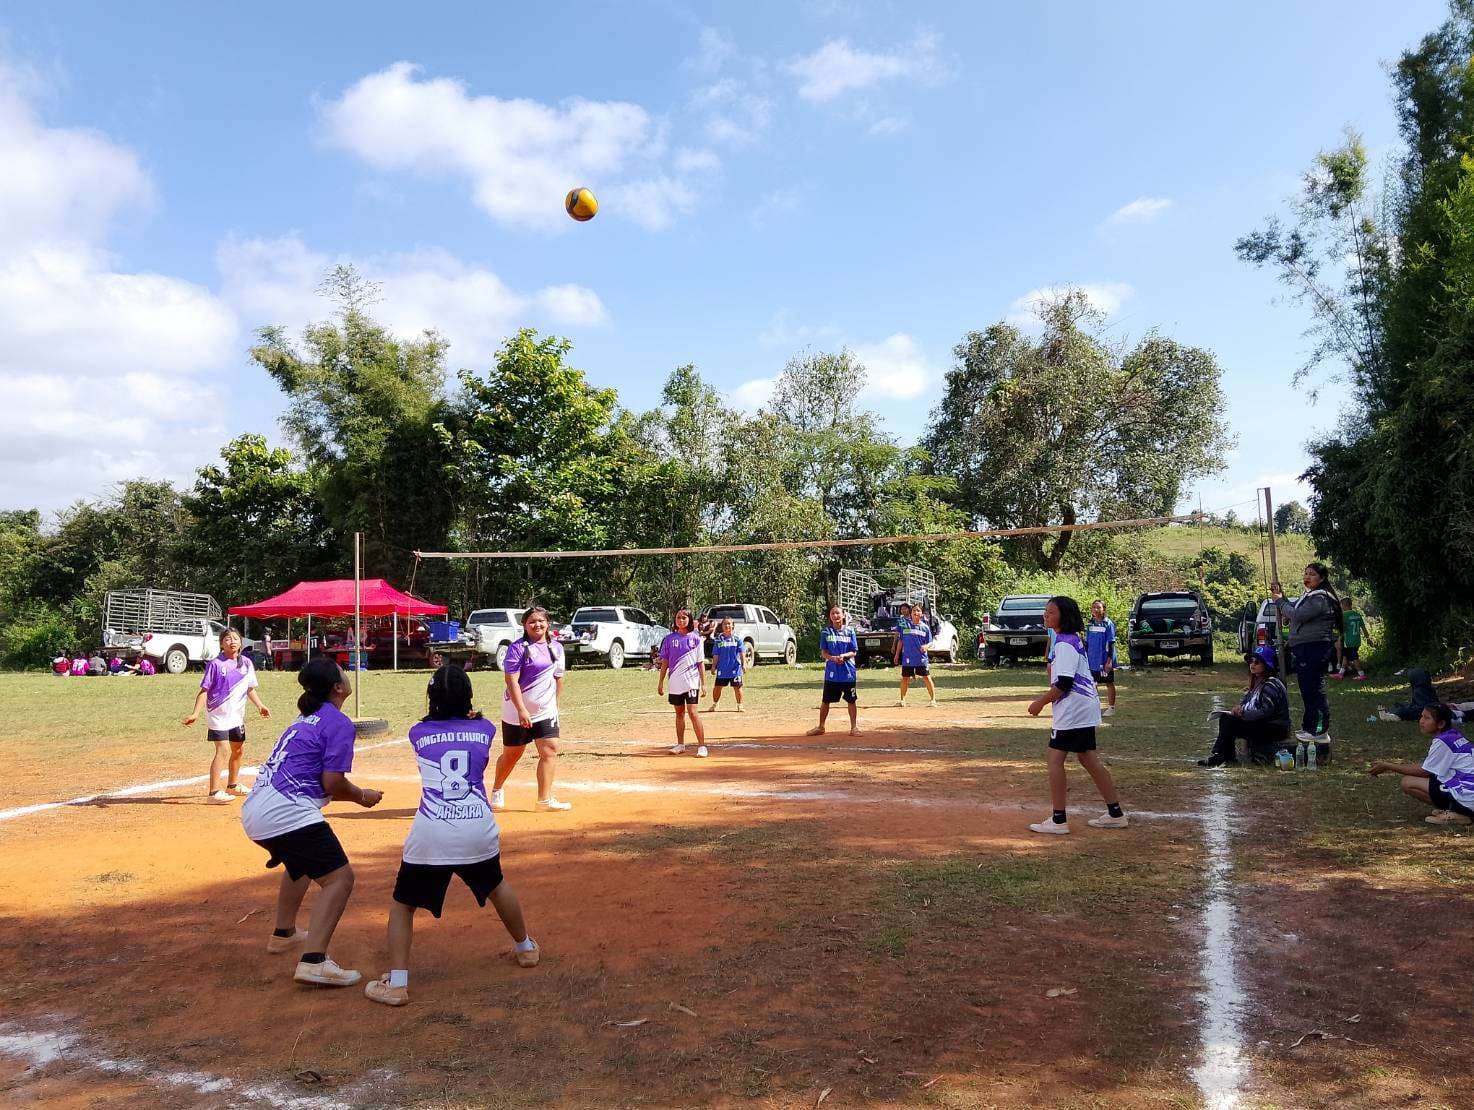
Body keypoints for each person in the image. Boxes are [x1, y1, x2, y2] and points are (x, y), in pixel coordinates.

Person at [365, 665, 538, 1007]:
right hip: (477, 827)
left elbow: (432, 728)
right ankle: (526, 948)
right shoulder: (485, 729)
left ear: (432, 699)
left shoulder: (418, 732)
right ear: (468, 697)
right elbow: (477, 726)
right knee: (496, 885)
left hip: (432, 832)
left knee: (403, 905)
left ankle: (397, 982)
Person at [240, 657, 383, 987]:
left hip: (257, 810)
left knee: (301, 864)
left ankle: (284, 933)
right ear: (337, 687)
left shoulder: (305, 718)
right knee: (339, 880)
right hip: (286, 812)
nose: (347, 676)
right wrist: (363, 796)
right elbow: (333, 782)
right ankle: (314, 960)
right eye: (343, 673)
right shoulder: (338, 723)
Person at [1026, 596, 1128, 834]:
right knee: (1087, 758)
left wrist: (1039, 703)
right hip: (1083, 708)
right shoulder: (1069, 640)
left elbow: (1063, 683)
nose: (1045, 615)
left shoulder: (1064, 644)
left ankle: (1059, 820)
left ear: (1064, 616)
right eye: (1046, 611)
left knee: (1054, 759)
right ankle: (1115, 813)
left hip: (1074, 710)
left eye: (1050, 612)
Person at [490, 606, 570, 812]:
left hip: (545, 711)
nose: (537, 625)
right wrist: (522, 710)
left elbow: (558, 678)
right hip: (516, 711)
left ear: (548, 623)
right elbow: (511, 681)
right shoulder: (517, 648)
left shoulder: (557, 648)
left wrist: (554, 704)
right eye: (532, 621)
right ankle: (497, 789)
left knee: (550, 750)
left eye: (541, 621)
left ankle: (544, 800)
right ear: (524, 625)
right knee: (513, 754)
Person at [183, 629, 271, 803]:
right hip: (217, 714)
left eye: (236, 639)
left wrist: (260, 705)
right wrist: (195, 713)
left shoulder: (246, 663)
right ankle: (214, 793)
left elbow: (249, 688)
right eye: (228, 639)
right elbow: (204, 691)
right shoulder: (215, 664)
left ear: (241, 642)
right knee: (222, 750)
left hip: (236, 716)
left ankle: (233, 785)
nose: (232, 642)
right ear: (221, 643)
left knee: (238, 749)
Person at [1271, 562, 1341, 765]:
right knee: (1307, 689)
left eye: (1312, 574)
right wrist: (1281, 598)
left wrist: (1279, 603)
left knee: (1314, 690)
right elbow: (1293, 611)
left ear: (1321, 579)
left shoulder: (1320, 598)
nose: (1307, 577)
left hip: (1314, 648)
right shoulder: (1309, 596)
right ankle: (1310, 727)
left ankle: (1319, 730)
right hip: (1305, 649)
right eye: (1305, 573)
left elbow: (1298, 615)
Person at [1369, 702, 1474, 826]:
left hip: (1468, 794)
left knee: (1408, 782)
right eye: (1421, 716)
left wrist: (1388, 766)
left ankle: (1460, 813)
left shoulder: (1443, 742)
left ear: (1441, 724)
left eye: (1427, 718)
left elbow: (1424, 771)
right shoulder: (1454, 735)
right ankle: (1457, 809)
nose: (1421, 721)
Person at [1198, 646, 1292, 767]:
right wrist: (1239, 708)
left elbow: (1265, 711)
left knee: (1230, 722)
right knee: (1227, 719)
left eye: (1257, 662)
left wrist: (1243, 714)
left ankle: (1222, 756)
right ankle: (1224, 756)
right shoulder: (1258, 682)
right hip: (1265, 724)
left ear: (1267, 665)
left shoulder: (1271, 684)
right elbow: (1247, 703)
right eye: (1251, 661)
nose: (1252, 664)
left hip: (1275, 728)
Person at [659, 609, 708, 757]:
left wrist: (703, 683)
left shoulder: (696, 639)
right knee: (679, 713)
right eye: (678, 618)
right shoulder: (669, 639)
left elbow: (700, 663)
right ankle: (680, 744)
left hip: (692, 682)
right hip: (675, 682)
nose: (681, 620)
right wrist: (660, 682)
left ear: (690, 619)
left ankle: (702, 746)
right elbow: (665, 662)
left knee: (693, 712)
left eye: (684, 618)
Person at [809, 606, 860, 737]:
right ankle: (821, 727)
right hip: (832, 673)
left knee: (851, 700)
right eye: (832, 613)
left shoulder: (850, 631)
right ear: (830, 616)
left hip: (848, 673)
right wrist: (833, 658)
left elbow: (854, 651)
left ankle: (854, 728)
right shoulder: (826, 632)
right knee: (826, 700)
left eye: (837, 613)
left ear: (843, 615)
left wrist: (844, 656)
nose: (835, 615)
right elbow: (824, 653)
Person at [893, 603, 936, 708]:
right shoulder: (905, 625)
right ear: (911, 613)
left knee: (926, 677)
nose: (916, 613)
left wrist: (926, 646)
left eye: (918, 611)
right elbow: (901, 641)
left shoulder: (925, 627)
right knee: (905, 678)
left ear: (921, 613)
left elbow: (930, 642)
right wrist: (897, 655)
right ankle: (902, 700)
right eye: (914, 611)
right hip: (908, 658)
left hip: (921, 658)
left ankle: (933, 700)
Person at [1085, 599, 1118, 717]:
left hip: (1104, 660)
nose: (1096, 609)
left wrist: (1109, 661)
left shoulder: (1108, 624)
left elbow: (1111, 643)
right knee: (1093, 683)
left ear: (1104, 609)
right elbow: (1087, 642)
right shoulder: (1090, 624)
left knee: (1108, 682)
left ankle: (1111, 707)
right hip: (1092, 660)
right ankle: (1095, 707)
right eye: (1094, 607)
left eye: (1098, 607)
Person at [707, 617, 746, 712]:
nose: (727, 626)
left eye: (729, 624)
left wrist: (744, 664)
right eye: (725, 624)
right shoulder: (719, 640)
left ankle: (740, 705)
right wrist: (713, 666)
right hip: (722, 669)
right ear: (722, 626)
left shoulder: (737, 639)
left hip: (735, 669)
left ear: (733, 625)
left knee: (737, 687)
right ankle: (715, 704)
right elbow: (716, 654)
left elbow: (742, 653)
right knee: (717, 688)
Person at [1333, 597, 1370, 681]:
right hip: (1357, 640)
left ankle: (1362, 675)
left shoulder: (1344, 615)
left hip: (1349, 641)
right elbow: (1364, 629)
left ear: (1343, 605)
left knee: (1354, 658)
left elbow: (1342, 629)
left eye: (1341, 605)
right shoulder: (1357, 614)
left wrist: (1339, 640)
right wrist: (1368, 638)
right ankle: (1341, 674)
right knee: (1345, 656)